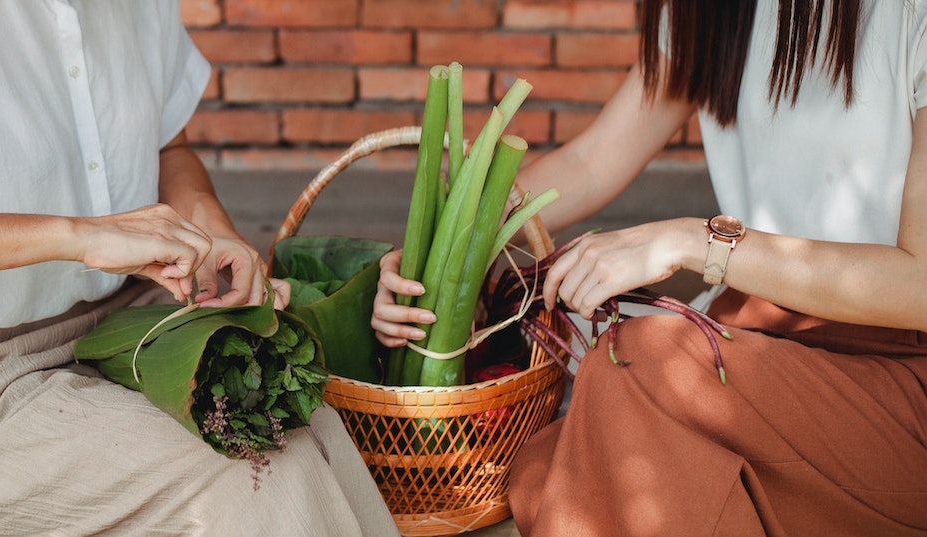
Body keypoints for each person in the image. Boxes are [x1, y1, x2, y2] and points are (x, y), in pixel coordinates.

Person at [0, 2, 399, 536]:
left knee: (310, 423)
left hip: (132, 324)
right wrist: (78, 236)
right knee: (257, 475)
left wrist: (215, 234)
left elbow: (166, 149)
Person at [371, 0, 927, 535]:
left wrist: (694, 239)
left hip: (899, 372)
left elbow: (920, 284)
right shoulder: (711, 10)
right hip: (756, 348)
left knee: (639, 371)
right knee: (546, 471)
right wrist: (430, 260)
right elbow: (591, 161)